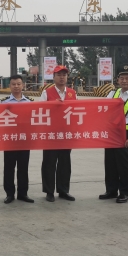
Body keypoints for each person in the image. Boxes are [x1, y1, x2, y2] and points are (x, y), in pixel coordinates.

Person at [100, 65, 128, 203]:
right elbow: (103, 110)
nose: (124, 81)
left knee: (124, 164)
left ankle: (125, 193)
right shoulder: (112, 94)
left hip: (125, 133)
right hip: (111, 133)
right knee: (110, 163)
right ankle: (111, 191)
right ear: (118, 80)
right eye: (122, 78)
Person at [40, 65, 77, 203]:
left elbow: (78, 111)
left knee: (64, 163)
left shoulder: (73, 93)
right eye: (59, 75)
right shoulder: (47, 93)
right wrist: (52, 105)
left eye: (64, 75)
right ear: (53, 77)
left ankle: (63, 190)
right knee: (49, 163)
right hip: (51, 134)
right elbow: (40, 111)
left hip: (66, 134)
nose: (62, 77)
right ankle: (49, 191)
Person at [0, 74, 34, 205]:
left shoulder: (30, 102)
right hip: (10, 140)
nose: (16, 86)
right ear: (9, 86)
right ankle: (9, 194)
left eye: (19, 84)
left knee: (23, 168)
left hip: (24, 140)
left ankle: (23, 193)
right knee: (9, 168)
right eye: (13, 84)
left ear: (23, 85)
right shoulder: (4, 102)